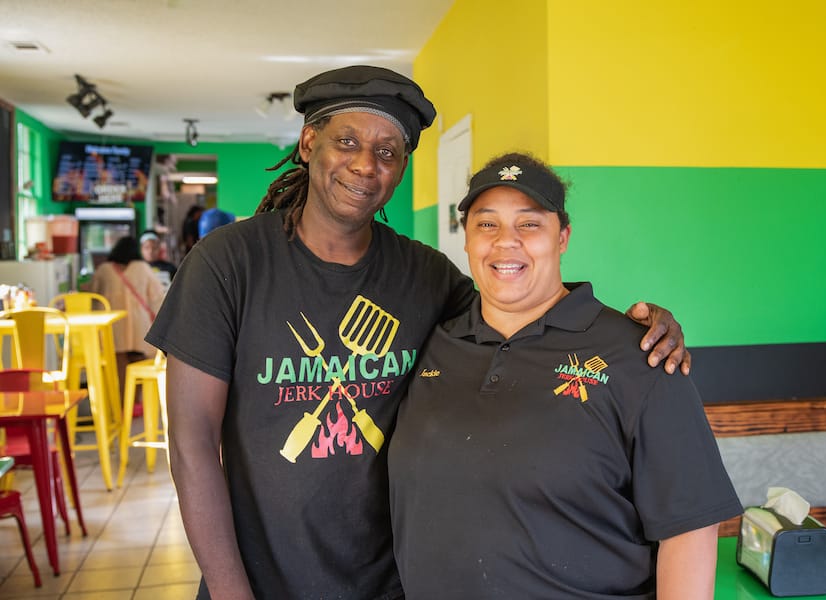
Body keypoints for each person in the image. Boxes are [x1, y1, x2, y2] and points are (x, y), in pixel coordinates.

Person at [145, 65, 688, 600]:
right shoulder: (229, 263)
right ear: (309, 143)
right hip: (262, 581)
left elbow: (518, 312)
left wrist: (629, 328)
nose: (365, 165)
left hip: (394, 583)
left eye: (388, 152)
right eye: (347, 141)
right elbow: (191, 442)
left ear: (401, 168)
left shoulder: (423, 275)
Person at [390, 152, 741, 599]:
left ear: (563, 237)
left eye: (530, 223)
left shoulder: (642, 356)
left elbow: (689, 529)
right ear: (466, 238)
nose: (505, 242)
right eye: (487, 223)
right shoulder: (434, 341)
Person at [88, 235, 166, 393]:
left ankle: (122, 402)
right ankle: (136, 401)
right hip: (139, 326)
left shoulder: (104, 269)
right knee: (138, 362)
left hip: (113, 327)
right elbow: (158, 296)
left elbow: (92, 293)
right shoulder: (143, 268)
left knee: (119, 364)